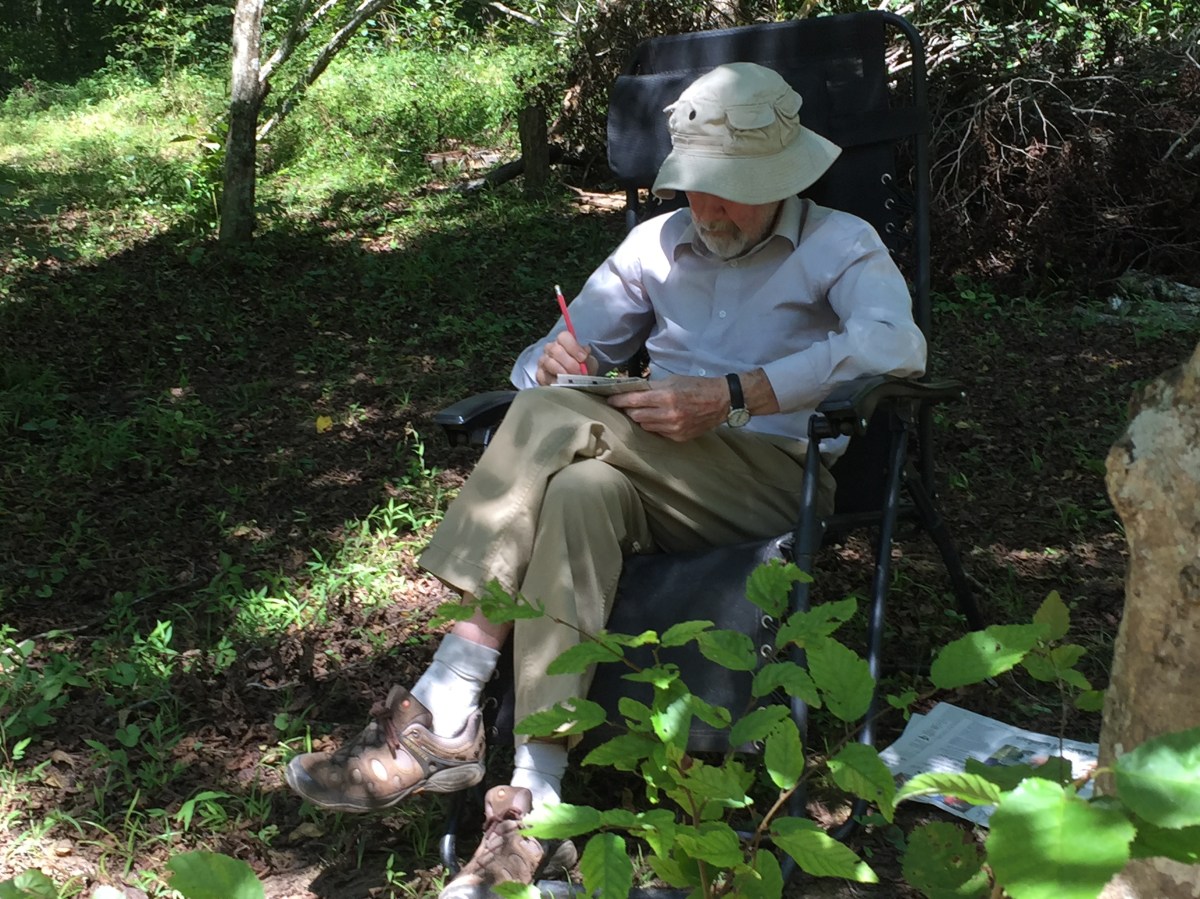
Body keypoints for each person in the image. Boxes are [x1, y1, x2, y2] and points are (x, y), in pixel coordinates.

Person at [284, 61, 927, 898]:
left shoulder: (841, 243)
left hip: (775, 478)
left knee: (556, 423)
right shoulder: (655, 244)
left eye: (730, 192)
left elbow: (895, 348)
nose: (707, 208)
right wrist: (549, 362)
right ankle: (537, 802)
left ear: (783, 178)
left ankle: (448, 695)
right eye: (695, 188)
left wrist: (736, 394)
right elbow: (546, 365)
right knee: (579, 489)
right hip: (648, 474)